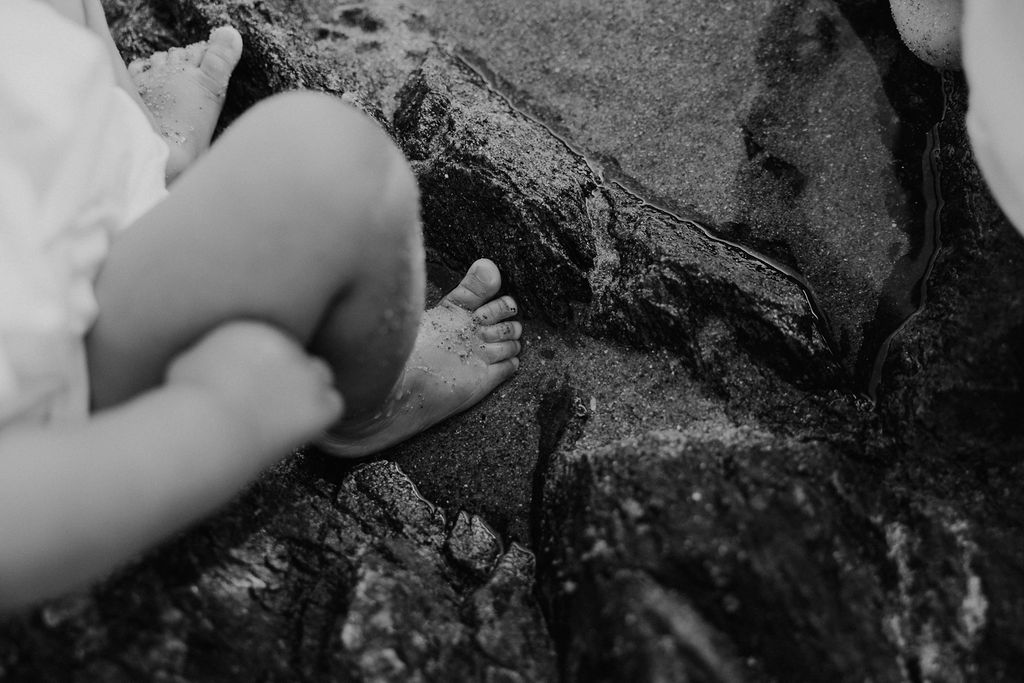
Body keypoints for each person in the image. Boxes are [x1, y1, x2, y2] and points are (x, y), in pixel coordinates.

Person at [0, 0, 523, 612]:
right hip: (59, 376)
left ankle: (145, 153)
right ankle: (367, 402)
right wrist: (218, 419)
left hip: (44, 200)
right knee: (333, 167)